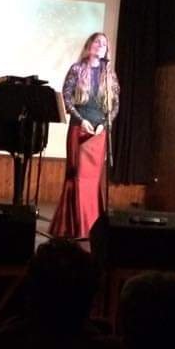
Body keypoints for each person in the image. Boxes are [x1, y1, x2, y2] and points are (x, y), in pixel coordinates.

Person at [49, 33, 119, 240]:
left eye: (104, 43)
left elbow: (115, 104)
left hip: (99, 132)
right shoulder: (77, 69)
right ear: (89, 45)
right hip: (79, 128)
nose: (100, 45)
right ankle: (75, 227)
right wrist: (81, 120)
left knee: (91, 180)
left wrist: (104, 123)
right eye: (97, 42)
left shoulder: (109, 74)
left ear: (107, 50)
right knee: (77, 177)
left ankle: (92, 227)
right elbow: (67, 97)